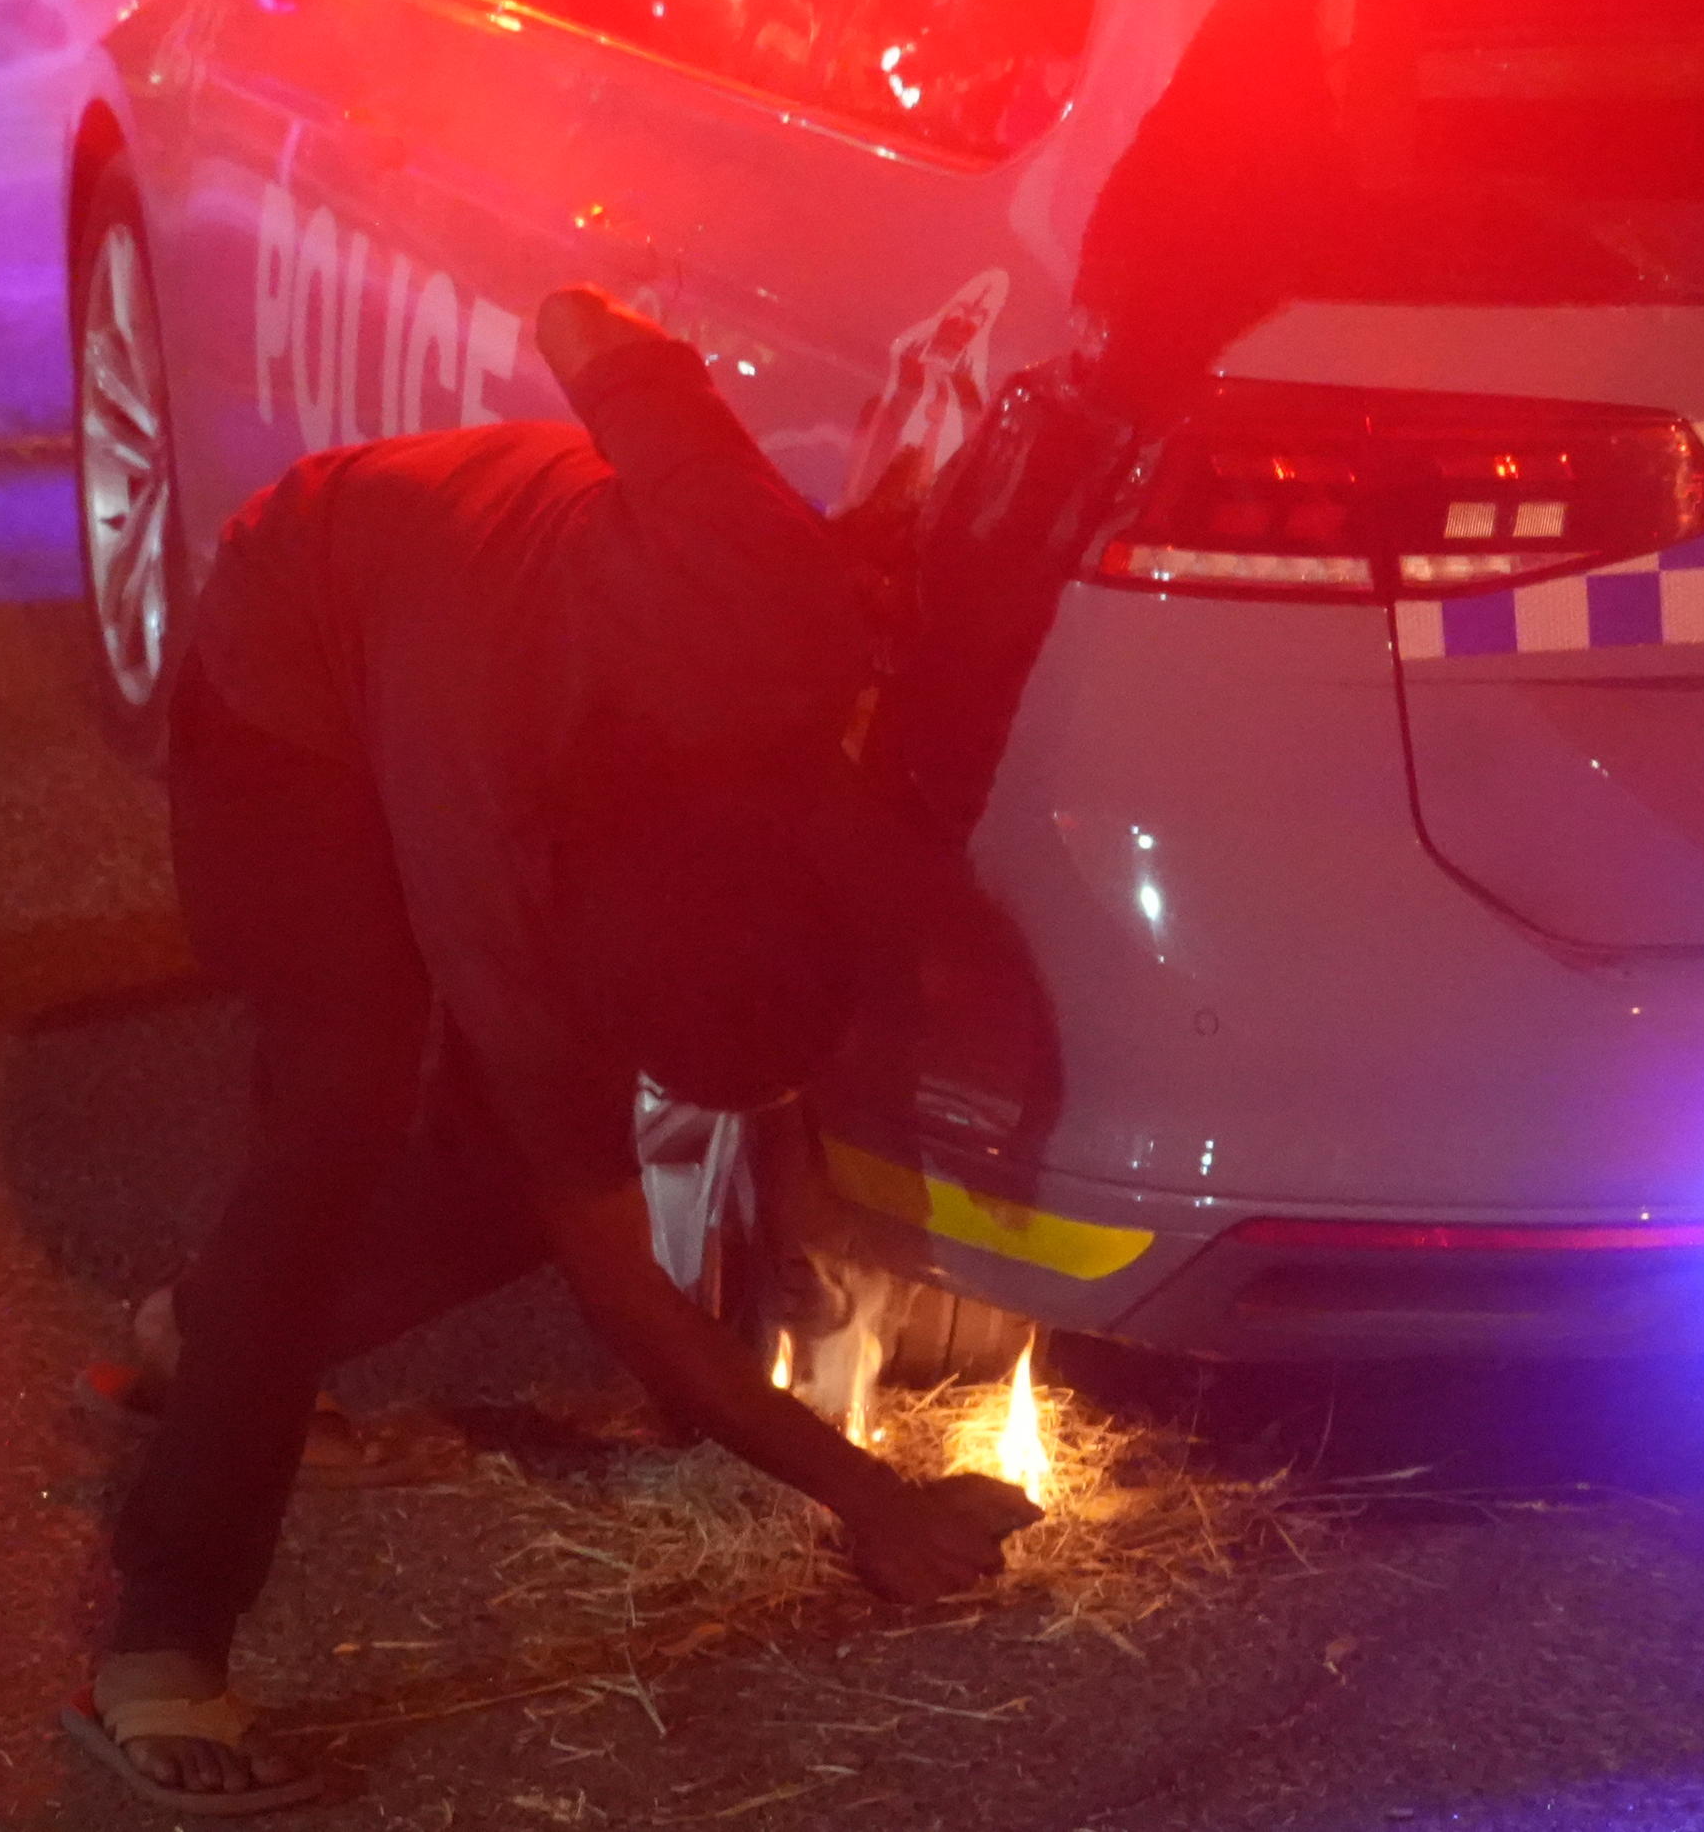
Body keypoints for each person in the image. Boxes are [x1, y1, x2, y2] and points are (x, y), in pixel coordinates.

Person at [67, 287, 1042, 1807]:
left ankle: (201, 1347)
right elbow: (625, 1284)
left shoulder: (777, 602)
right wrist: (869, 1497)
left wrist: (608, 346)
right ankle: (163, 1643)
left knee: (484, 1184)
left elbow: (590, 327)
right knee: (338, 1117)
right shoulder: (504, 878)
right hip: (294, 663)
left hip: (482, 630)